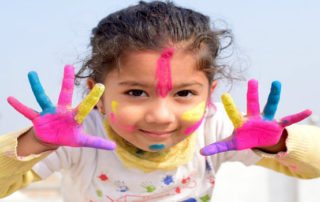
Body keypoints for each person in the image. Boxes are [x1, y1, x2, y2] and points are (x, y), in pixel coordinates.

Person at [1, 1, 320, 201]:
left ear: (209, 95)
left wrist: (276, 143)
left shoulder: (217, 127)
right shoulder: (79, 136)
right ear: (97, 95)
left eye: (184, 93)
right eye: (136, 93)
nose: (161, 116)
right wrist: (35, 143)